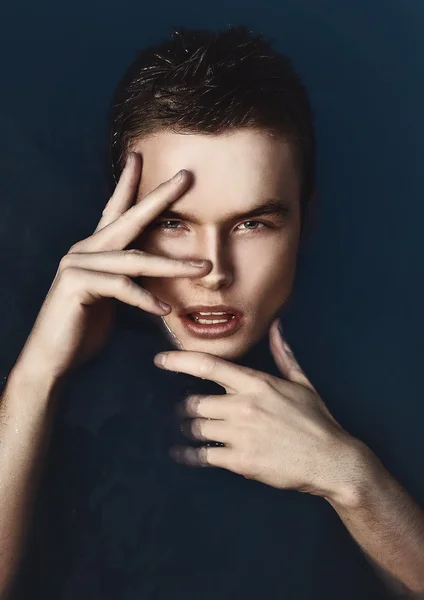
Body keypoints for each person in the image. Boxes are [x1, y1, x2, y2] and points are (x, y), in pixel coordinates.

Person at [0, 25, 423, 599]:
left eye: (253, 224)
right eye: (173, 222)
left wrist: (352, 479)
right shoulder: (37, 346)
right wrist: (34, 378)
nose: (214, 270)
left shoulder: (398, 369)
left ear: (307, 218)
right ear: (119, 219)